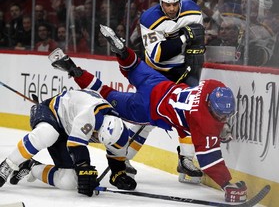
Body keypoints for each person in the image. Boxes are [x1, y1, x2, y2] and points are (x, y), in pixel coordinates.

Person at [49, 24, 248, 203]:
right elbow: (210, 161)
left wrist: (219, 128)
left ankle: (121, 51)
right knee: (106, 95)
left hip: (158, 84)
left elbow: (208, 118)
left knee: (133, 66)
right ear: (212, 107)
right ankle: (74, 70)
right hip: (147, 108)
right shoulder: (203, 124)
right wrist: (227, 184)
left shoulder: (213, 87)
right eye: (221, 116)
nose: (223, 119)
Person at [0, 88, 137, 197]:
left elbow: (117, 160)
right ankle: (7, 165)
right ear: (99, 127)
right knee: (48, 134)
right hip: (51, 113)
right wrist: (85, 169)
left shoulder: (121, 137)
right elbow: (76, 146)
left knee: (69, 181)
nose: (94, 136)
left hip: (68, 131)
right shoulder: (90, 115)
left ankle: (31, 166)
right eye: (95, 134)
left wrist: (119, 176)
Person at [139, 0, 206, 183]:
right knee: (146, 116)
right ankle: (121, 159)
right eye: (167, 4)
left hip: (183, 68)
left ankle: (185, 160)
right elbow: (158, 54)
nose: (171, 8)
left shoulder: (193, 10)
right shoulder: (149, 18)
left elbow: (199, 41)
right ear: (160, 2)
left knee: (188, 112)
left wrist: (193, 66)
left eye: (175, 4)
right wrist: (185, 37)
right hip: (155, 73)